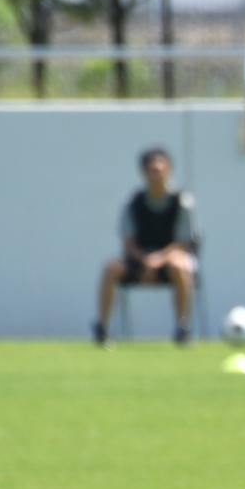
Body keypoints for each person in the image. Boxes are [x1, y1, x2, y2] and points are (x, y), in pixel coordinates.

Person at [94, 147, 198, 347]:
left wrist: (159, 259)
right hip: (139, 259)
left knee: (181, 266)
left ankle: (182, 329)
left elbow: (183, 243)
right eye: (152, 170)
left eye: (161, 169)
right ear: (143, 173)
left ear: (169, 170)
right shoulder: (133, 201)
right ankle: (102, 329)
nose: (157, 175)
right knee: (110, 268)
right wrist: (145, 260)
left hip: (169, 260)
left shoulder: (182, 202)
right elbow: (127, 241)